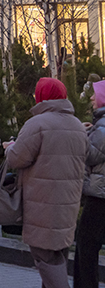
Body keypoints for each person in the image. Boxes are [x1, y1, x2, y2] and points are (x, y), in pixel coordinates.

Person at [4, 77, 86, 288]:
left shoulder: (37, 124)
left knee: (45, 259)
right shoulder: (77, 126)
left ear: (42, 97)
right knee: (58, 256)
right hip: (68, 205)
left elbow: (17, 159)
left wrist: (9, 148)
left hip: (43, 206)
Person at [76, 80, 105, 287]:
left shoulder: (103, 125)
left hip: (99, 195)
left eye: (96, 94)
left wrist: (81, 133)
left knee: (85, 245)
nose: (92, 98)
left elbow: (91, 154)